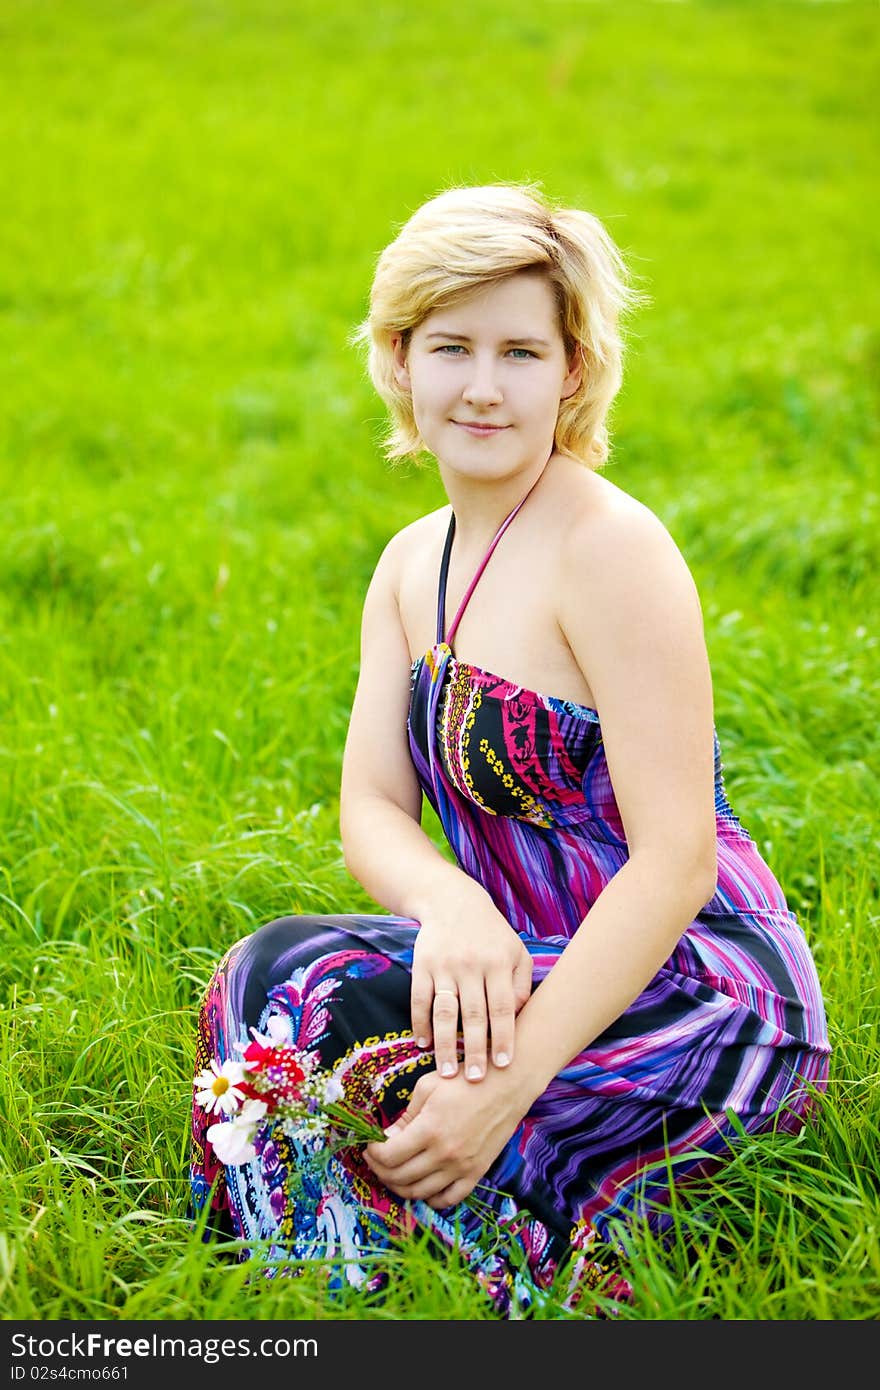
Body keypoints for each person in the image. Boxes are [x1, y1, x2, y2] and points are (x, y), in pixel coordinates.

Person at [189, 181, 830, 1317]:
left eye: (521, 352)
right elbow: (373, 810)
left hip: (689, 985)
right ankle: (329, 1278)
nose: (483, 387)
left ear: (573, 371)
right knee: (277, 974)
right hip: (516, 956)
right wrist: (454, 906)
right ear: (397, 358)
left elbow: (677, 860)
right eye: (450, 346)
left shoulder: (610, 550)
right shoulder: (409, 563)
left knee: (396, 1077)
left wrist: (513, 1072)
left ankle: (453, 1273)